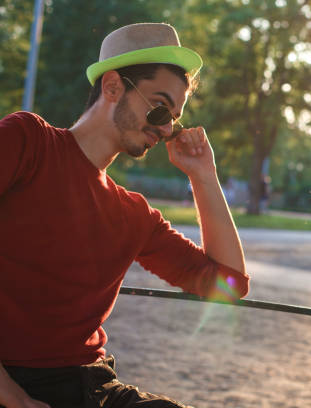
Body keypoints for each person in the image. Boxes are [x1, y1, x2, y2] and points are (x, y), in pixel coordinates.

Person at [0, 23, 250, 408]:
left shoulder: (134, 214)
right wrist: (13, 397)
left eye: (174, 119)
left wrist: (204, 176)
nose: (166, 129)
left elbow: (230, 284)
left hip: (92, 386)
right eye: (160, 108)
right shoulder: (29, 142)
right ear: (113, 86)